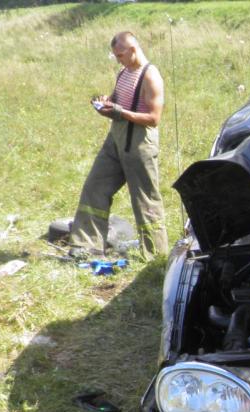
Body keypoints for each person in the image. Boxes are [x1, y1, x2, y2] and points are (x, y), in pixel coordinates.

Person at [68, 31, 169, 259]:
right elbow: (117, 105)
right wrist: (105, 106)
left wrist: (120, 112)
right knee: (94, 187)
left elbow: (154, 118)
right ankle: (86, 247)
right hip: (115, 139)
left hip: (140, 144)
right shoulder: (123, 72)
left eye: (120, 55)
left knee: (145, 201)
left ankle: (155, 256)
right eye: (115, 55)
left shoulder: (150, 76)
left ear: (133, 49)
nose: (117, 59)